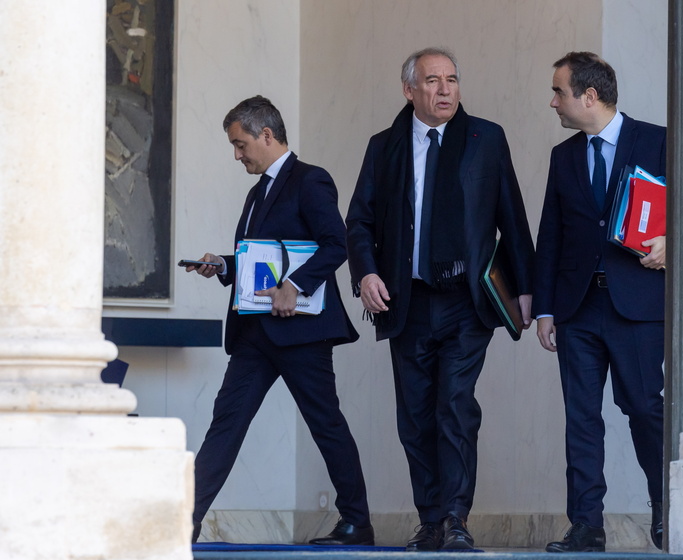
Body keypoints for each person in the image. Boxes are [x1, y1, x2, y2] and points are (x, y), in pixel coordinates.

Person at [346, 47, 534, 552]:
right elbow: (359, 221)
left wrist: (527, 288)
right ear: (410, 90)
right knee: (415, 417)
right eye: (433, 80)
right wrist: (364, 274)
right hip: (405, 302)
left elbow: (510, 214)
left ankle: (455, 516)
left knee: (454, 405)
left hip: (465, 301)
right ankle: (430, 519)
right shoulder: (383, 146)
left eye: (452, 79)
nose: (446, 89)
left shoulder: (485, 138)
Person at [186, 95, 373, 546]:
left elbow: (335, 244)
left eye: (240, 144)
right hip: (255, 333)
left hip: (302, 334)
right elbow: (261, 261)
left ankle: (357, 523)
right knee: (225, 424)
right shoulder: (257, 192)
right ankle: (183, 521)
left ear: (266, 135)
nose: (237, 154)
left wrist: (296, 285)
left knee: (325, 423)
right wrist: (225, 265)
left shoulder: (311, 180)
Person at [533, 52, 666, 553]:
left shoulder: (658, 140)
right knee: (581, 417)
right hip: (577, 309)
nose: (553, 102)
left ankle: (665, 508)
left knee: (643, 409)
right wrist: (545, 308)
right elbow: (552, 234)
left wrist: (672, 240)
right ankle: (586, 525)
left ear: (589, 96)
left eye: (558, 92)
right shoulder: (563, 156)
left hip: (636, 307)